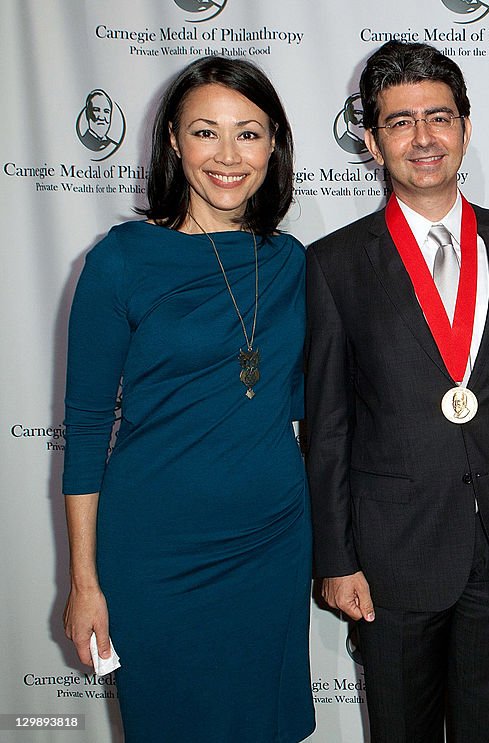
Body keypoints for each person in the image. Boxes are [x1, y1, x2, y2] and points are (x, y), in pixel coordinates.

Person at [61, 56, 314, 742]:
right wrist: (84, 581)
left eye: (249, 134)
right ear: (173, 140)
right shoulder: (120, 259)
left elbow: (309, 407)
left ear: (273, 145)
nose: (228, 156)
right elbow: (85, 429)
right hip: (156, 552)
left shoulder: (292, 263)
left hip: (272, 544)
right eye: (206, 132)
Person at [305, 41, 489, 742]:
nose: (424, 138)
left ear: (466, 129)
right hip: (389, 557)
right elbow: (326, 425)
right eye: (400, 121)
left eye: (439, 117)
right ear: (373, 143)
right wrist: (336, 557)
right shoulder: (334, 265)